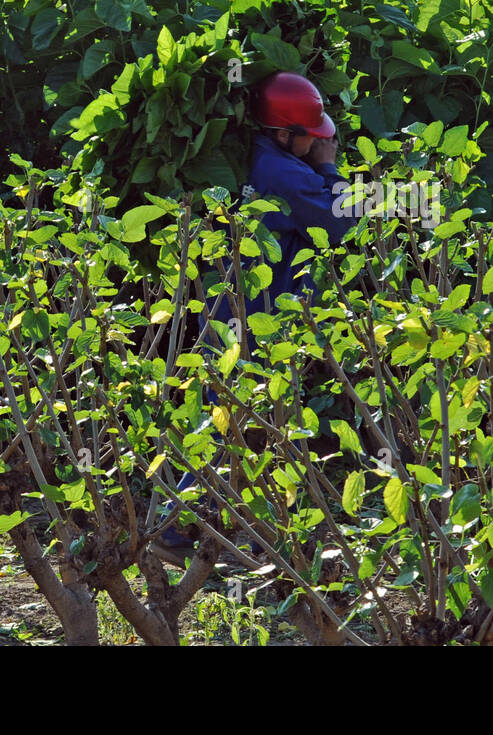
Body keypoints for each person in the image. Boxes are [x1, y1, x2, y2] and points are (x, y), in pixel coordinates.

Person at [151, 71, 355, 566]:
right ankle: (175, 530)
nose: (320, 143)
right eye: (312, 136)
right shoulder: (285, 174)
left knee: (243, 423)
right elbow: (343, 221)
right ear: (284, 134)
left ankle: (248, 533)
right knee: (234, 422)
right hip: (257, 319)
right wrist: (330, 170)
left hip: (242, 314)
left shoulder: (265, 159)